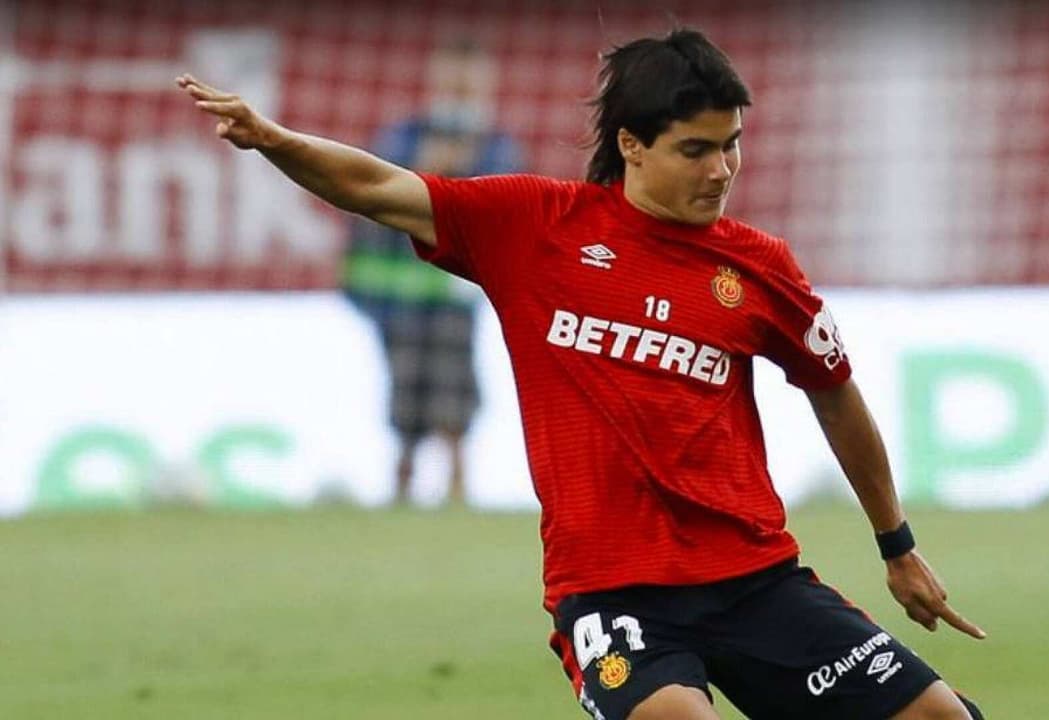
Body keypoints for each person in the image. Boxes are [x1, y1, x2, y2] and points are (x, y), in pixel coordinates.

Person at [177, 27, 986, 720]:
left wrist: (897, 544)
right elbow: (378, 187)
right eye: (696, 149)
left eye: (732, 143)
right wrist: (274, 140)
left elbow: (834, 391)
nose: (721, 170)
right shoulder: (536, 227)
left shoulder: (759, 268)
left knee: (939, 716)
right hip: (614, 595)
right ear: (631, 144)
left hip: (756, 580)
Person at [340, 41, 522, 506]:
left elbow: (505, 199)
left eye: (467, 86)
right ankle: (401, 488)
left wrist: (457, 174)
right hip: (400, 298)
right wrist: (426, 170)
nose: (459, 95)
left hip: (454, 295)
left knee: (453, 394)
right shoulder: (402, 138)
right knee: (404, 395)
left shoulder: (496, 146)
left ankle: (458, 490)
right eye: (452, 84)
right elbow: (376, 191)